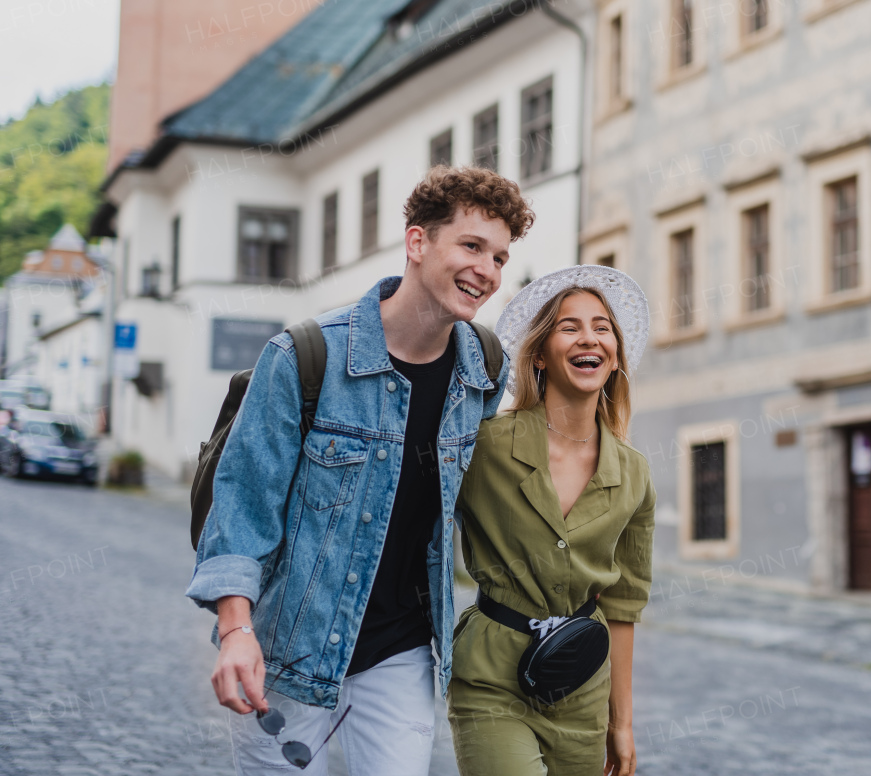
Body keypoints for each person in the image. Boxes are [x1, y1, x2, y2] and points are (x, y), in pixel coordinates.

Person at [184, 165, 535, 775]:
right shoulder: (304, 356)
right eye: (472, 246)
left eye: (501, 258)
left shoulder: (484, 365)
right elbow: (242, 507)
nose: (488, 270)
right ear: (417, 242)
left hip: (402, 650)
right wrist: (236, 630)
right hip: (290, 648)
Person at [448, 266, 656, 776]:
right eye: (570, 327)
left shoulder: (633, 472)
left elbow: (624, 604)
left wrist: (621, 722)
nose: (590, 338)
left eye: (603, 327)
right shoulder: (485, 445)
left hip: (582, 684)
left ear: (615, 356)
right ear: (539, 353)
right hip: (491, 680)